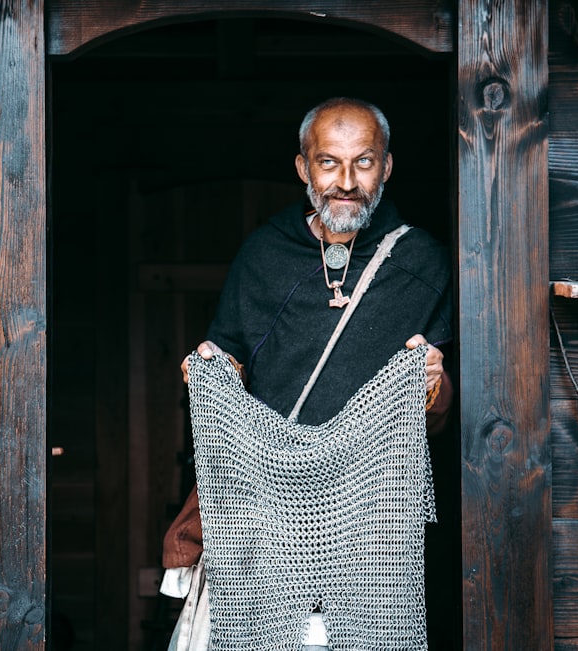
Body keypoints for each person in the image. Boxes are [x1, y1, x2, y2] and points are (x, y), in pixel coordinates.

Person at [163, 97, 454, 650]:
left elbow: (444, 415)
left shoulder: (423, 262)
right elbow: (228, 358)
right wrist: (209, 371)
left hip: (371, 526)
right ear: (303, 167)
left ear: (387, 167)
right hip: (264, 517)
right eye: (328, 162)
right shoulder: (264, 254)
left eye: (363, 162)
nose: (346, 181)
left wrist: (434, 385)